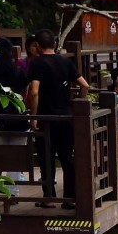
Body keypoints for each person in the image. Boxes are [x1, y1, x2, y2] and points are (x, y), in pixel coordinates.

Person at [24, 31, 79, 196]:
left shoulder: (37, 64)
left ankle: (48, 196)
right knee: (67, 158)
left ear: (38, 46)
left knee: (45, 157)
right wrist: (76, 104)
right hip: (65, 117)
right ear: (54, 45)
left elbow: (34, 91)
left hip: (45, 118)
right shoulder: (65, 61)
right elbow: (84, 84)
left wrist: (34, 116)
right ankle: (70, 196)